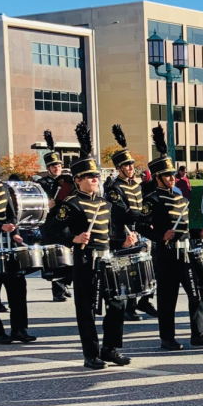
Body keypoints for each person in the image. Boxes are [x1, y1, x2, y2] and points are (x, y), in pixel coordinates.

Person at [48, 121, 130, 369]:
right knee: (86, 309)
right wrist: (72, 239)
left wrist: (123, 241)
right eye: (90, 177)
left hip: (107, 259)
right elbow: (50, 231)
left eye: (96, 176)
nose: (95, 179)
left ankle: (110, 348)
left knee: (117, 303)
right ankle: (90, 354)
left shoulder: (105, 204)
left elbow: (109, 234)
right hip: (85, 261)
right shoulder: (70, 204)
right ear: (78, 180)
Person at [137, 125, 203, 351]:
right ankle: (167, 338)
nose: (172, 178)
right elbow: (141, 226)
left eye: (173, 175)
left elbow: (183, 228)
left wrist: (198, 233)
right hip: (165, 253)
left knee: (196, 291)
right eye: (167, 176)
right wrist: (160, 235)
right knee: (167, 297)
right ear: (158, 178)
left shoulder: (181, 199)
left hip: (186, 250)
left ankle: (199, 334)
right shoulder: (151, 199)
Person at [0, 126, 36, 345]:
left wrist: (14, 231)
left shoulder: (4, 187)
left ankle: (19, 329)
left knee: (18, 287)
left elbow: (12, 214)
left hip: (8, 246)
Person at [104, 124, 157, 321]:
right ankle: (128, 307)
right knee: (129, 270)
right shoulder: (114, 188)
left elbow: (141, 208)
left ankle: (144, 301)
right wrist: (143, 219)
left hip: (139, 230)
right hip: (123, 232)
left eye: (132, 164)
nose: (131, 168)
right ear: (119, 168)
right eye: (126, 165)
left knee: (145, 266)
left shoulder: (136, 186)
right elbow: (123, 212)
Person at [37, 130, 73, 302]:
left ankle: (65, 283)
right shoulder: (41, 183)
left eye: (58, 165)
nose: (56, 168)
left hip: (66, 223)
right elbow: (36, 203)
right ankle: (58, 291)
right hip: (51, 224)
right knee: (55, 258)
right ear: (48, 168)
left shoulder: (67, 181)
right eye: (53, 166)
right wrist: (46, 204)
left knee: (69, 256)